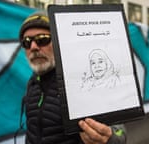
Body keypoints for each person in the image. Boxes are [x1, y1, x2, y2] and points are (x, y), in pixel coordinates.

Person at [18, 11, 127, 144]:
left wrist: (110, 138)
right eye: (27, 42)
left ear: (60, 42)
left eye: (42, 39)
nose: (33, 47)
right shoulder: (33, 82)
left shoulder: (82, 82)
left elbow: (119, 131)